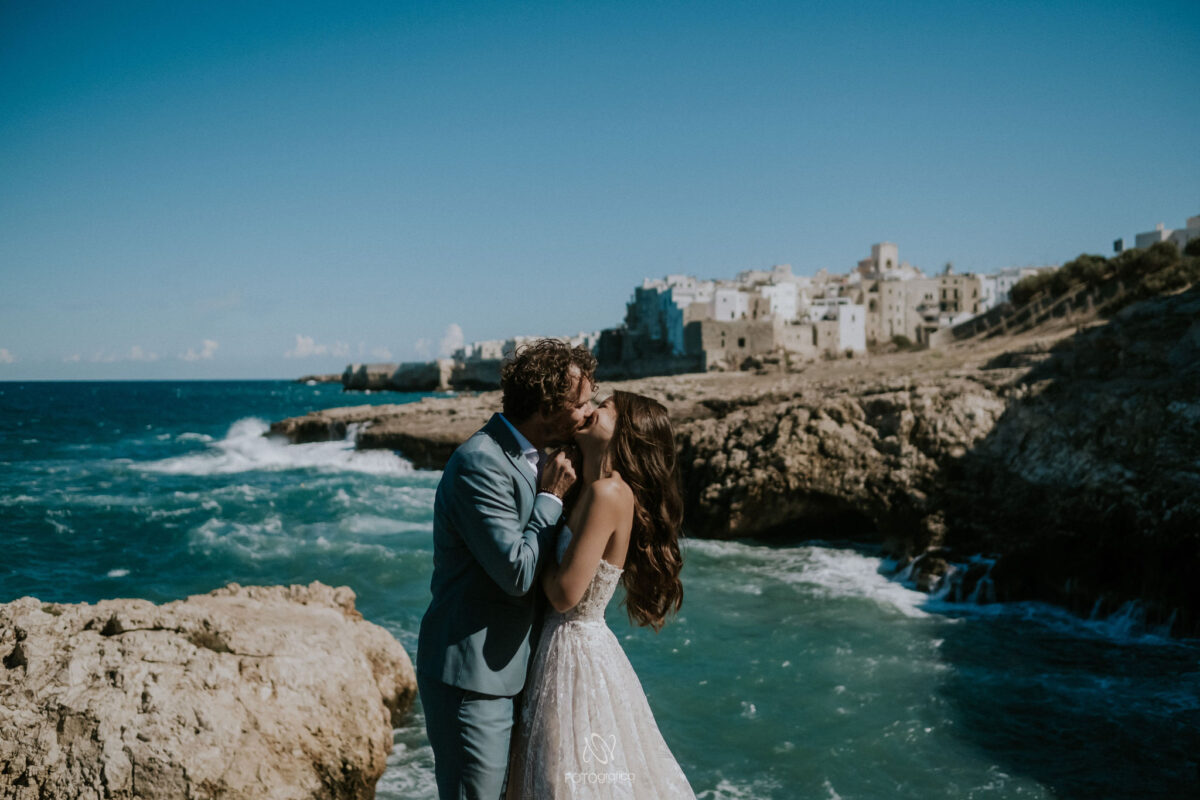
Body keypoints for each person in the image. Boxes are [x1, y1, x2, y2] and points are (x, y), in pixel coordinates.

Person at [416, 339, 597, 800]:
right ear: (546, 406)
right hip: (473, 680)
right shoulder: (481, 463)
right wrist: (551, 498)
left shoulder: (535, 457)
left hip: (518, 670)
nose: (587, 414)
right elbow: (516, 572)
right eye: (580, 404)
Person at [506, 391, 697, 799]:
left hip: (573, 650)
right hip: (561, 645)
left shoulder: (608, 493)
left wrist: (547, 505)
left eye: (605, 405)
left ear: (628, 431)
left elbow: (563, 594)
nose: (590, 409)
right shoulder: (587, 489)